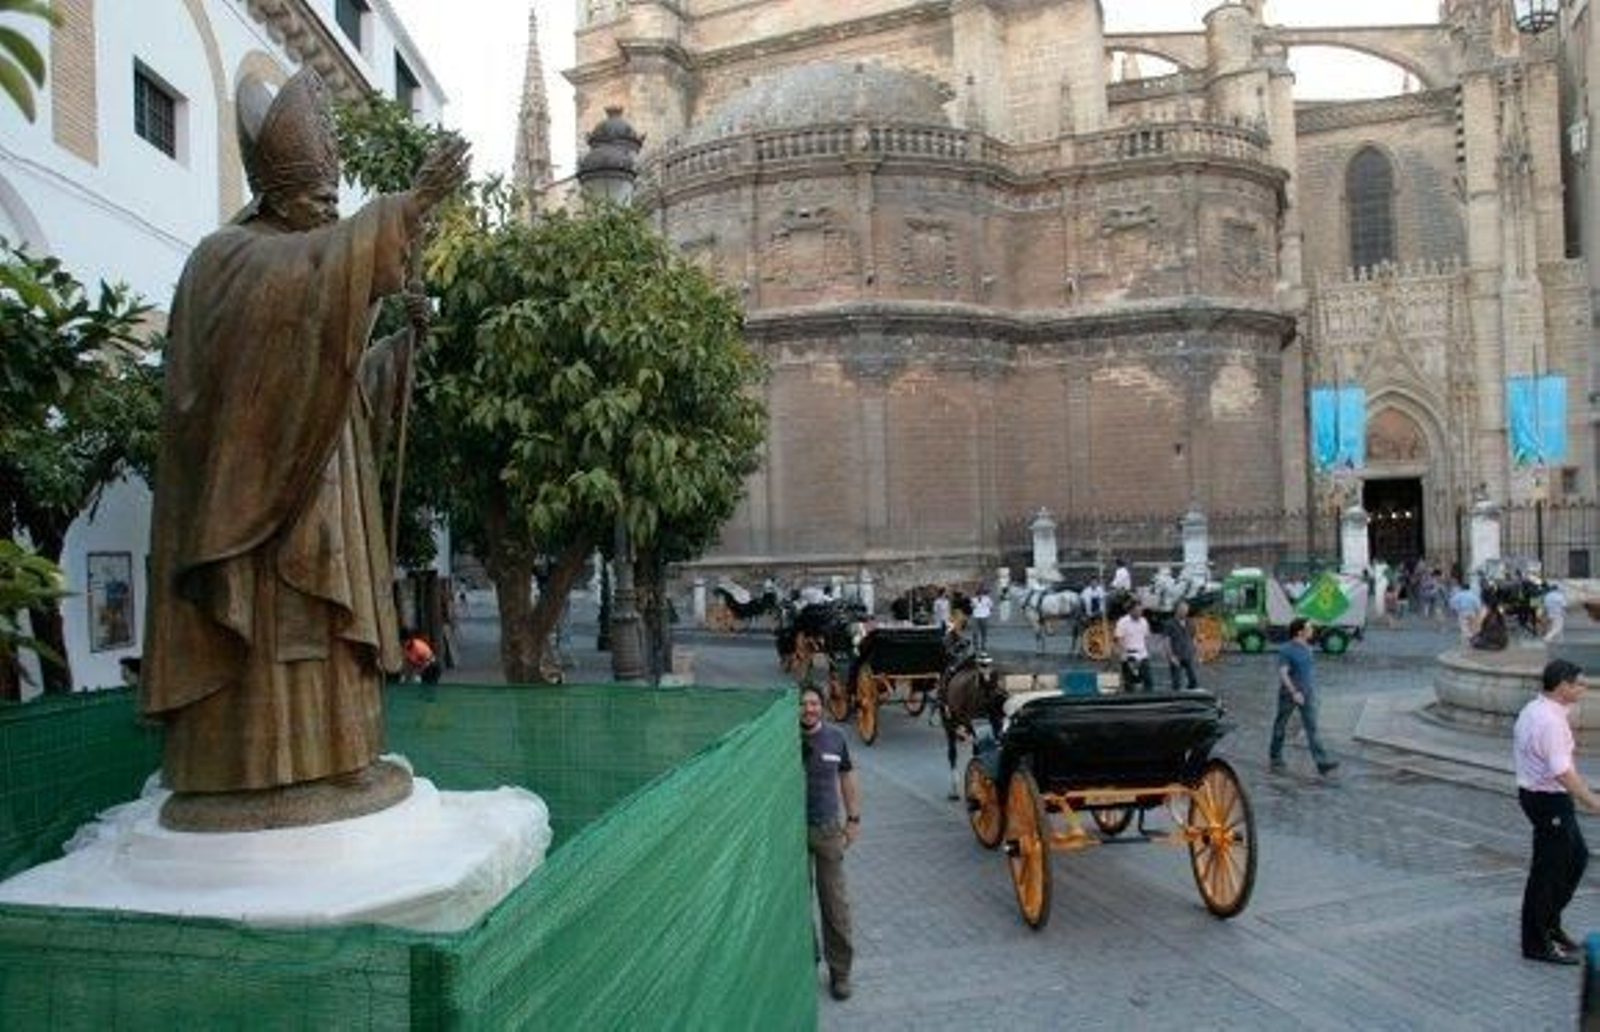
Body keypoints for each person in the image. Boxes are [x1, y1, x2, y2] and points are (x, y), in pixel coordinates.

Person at [141, 67, 470, 817]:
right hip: (261, 514)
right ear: (274, 195)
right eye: (319, 202)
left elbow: (334, 376)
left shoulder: (296, 256)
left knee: (325, 636)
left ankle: (340, 761)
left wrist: (392, 350)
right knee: (276, 640)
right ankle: (250, 777)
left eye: (335, 203)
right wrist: (407, 208)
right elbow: (294, 289)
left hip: (329, 490)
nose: (330, 217)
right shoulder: (225, 260)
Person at [1513, 660, 1600, 965]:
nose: (1583, 688)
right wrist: (1593, 801)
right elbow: (1561, 771)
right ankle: (1536, 942)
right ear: (1562, 685)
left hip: (1542, 797)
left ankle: (1549, 926)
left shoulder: (1536, 710)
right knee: (1548, 872)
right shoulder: (1550, 722)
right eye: (1579, 683)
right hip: (1548, 800)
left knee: (1576, 858)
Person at [800, 682, 861, 1001]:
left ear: (821, 706)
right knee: (796, 902)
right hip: (791, 833)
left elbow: (848, 777)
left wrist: (853, 818)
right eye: (803, 704)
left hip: (827, 831)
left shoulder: (836, 738)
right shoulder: (784, 740)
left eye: (813, 703)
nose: (808, 709)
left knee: (834, 904)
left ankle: (841, 974)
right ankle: (805, 962)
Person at [1269, 618, 1339, 776]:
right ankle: (1275, 757)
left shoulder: (1308, 647)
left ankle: (1322, 762)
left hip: (1307, 694)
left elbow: (1307, 672)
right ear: (1300, 631)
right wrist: (1294, 692)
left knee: (1312, 728)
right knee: (1281, 725)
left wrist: (1309, 690)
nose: (1312, 629)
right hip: (1289, 695)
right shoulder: (1286, 650)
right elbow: (1283, 673)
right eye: (1309, 627)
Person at [1113, 601, 1152, 692]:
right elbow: (1119, 639)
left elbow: (1146, 637)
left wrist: (1146, 650)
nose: (1140, 613)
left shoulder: (1144, 621)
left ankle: (1149, 700)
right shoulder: (1122, 622)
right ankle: (1130, 701)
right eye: (1137, 611)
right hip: (1129, 656)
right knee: (1130, 682)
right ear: (1131, 611)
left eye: (1141, 611)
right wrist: (1122, 654)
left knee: (1148, 679)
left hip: (1142, 655)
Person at [1166, 601, 1200, 692]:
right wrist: (1171, 656)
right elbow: (1166, 641)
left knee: (1193, 680)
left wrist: (1196, 652)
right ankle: (1176, 699)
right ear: (1176, 610)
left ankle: (1191, 697)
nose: (1185, 612)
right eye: (1182, 610)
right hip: (1176, 656)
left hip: (1188, 654)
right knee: (1176, 682)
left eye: (1186, 610)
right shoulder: (1170, 623)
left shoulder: (1190, 623)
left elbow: (1193, 638)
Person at [1449, 579, 1483, 648]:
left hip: (1462, 612)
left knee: (1464, 626)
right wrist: (1478, 613)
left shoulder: (1459, 594)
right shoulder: (1473, 595)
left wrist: (1455, 610)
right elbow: (1478, 605)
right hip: (1472, 612)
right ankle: (1472, 637)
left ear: (1462, 588)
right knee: (1472, 626)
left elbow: (1452, 603)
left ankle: (1469, 639)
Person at [970, 586, 993, 652]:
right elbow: (972, 607)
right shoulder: (973, 599)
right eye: (978, 592)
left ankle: (983, 645)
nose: (979, 593)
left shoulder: (987, 599)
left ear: (982, 593)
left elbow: (991, 607)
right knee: (975, 632)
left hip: (984, 617)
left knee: (984, 632)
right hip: (975, 616)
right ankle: (975, 645)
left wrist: (988, 614)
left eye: (980, 592)